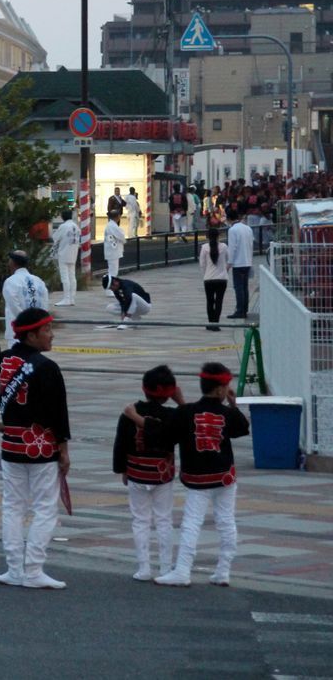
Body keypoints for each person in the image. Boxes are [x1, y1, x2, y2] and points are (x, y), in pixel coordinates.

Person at [0, 308, 71, 589]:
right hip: (42, 447)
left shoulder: (1, 361)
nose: (51, 334)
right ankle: (33, 569)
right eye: (47, 330)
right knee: (45, 508)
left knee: (12, 507)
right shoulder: (47, 367)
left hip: (11, 443)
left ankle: (14, 569)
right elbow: (58, 412)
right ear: (32, 334)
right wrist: (64, 449)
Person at [128, 363, 250, 587]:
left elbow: (163, 436)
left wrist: (136, 417)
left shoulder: (186, 412)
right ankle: (223, 571)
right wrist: (234, 404)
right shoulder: (225, 413)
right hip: (224, 476)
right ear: (221, 389)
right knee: (226, 521)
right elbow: (242, 427)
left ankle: (183, 570)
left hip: (197, 478)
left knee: (192, 523)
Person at [112, 365, 183, 581]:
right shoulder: (172, 415)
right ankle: (165, 567)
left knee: (140, 520)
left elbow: (120, 444)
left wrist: (122, 469)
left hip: (136, 471)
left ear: (144, 389)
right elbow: (188, 426)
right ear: (169, 393)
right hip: (162, 474)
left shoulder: (129, 412)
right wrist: (181, 402)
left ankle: (144, 568)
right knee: (163, 519)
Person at [1, 250, 48, 345]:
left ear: (13, 262)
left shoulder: (11, 281)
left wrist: (25, 322)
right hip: (36, 330)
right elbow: (45, 304)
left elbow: (13, 305)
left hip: (17, 331)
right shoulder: (38, 280)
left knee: (19, 358)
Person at [200, 227, 231, 331]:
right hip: (222, 278)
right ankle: (216, 323)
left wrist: (206, 274)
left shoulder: (204, 248)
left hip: (209, 278)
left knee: (209, 301)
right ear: (218, 236)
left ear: (207, 236)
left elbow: (202, 264)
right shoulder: (224, 246)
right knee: (219, 301)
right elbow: (229, 260)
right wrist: (225, 271)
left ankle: (211, 322)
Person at [226, 210, 254, 318]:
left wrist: (229, 263)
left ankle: (240, 310)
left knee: (238, 287)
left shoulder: (232, 230)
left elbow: (232, 247)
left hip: (238, 262)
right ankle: (244, 309)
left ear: (229, 219)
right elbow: (251, 244)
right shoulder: (248, 228)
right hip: (247, 261)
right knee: (244, 287)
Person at [50, 210, 80, 307]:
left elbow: (55, 237)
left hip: (64, 253)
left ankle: (66, 298)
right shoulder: (76, 226)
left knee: (65, 276)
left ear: (62, 217)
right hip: (74, 252)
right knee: (72, 275)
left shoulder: (63, 226)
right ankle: (72, 298)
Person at [104, 209, 126, 280]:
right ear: (118, 217)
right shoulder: (112, 226)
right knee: (113, 271)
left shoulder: (111, 225)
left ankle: (110, 287)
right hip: (113, 251)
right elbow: (121, 236)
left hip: (112, 251)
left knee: (113, 270)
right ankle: (110, 287)